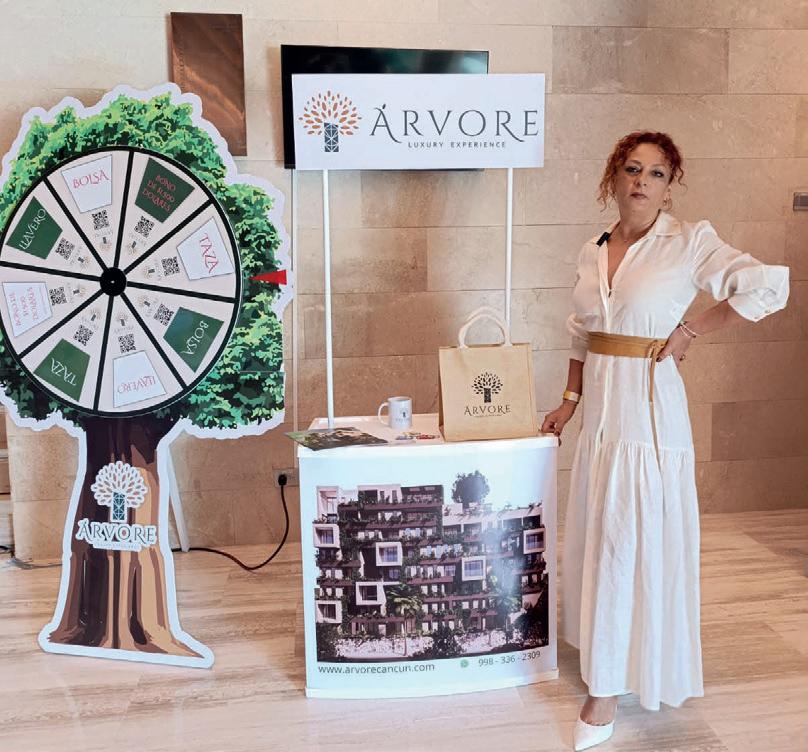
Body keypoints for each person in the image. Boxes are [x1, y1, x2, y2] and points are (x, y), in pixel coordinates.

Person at [540, 131, 790, 751]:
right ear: (613, 177)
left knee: (629, 535)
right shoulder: (595, 249)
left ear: (670, 186)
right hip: (600, 420)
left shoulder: (689, 241)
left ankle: (606, 689)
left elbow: (764, 285)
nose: (642, 182)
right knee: (601, 533)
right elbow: (581, 335)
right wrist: (568, 402)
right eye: (632, 169)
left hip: (649, 415)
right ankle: (607, 648)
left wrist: (691, 329)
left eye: (656, 173)